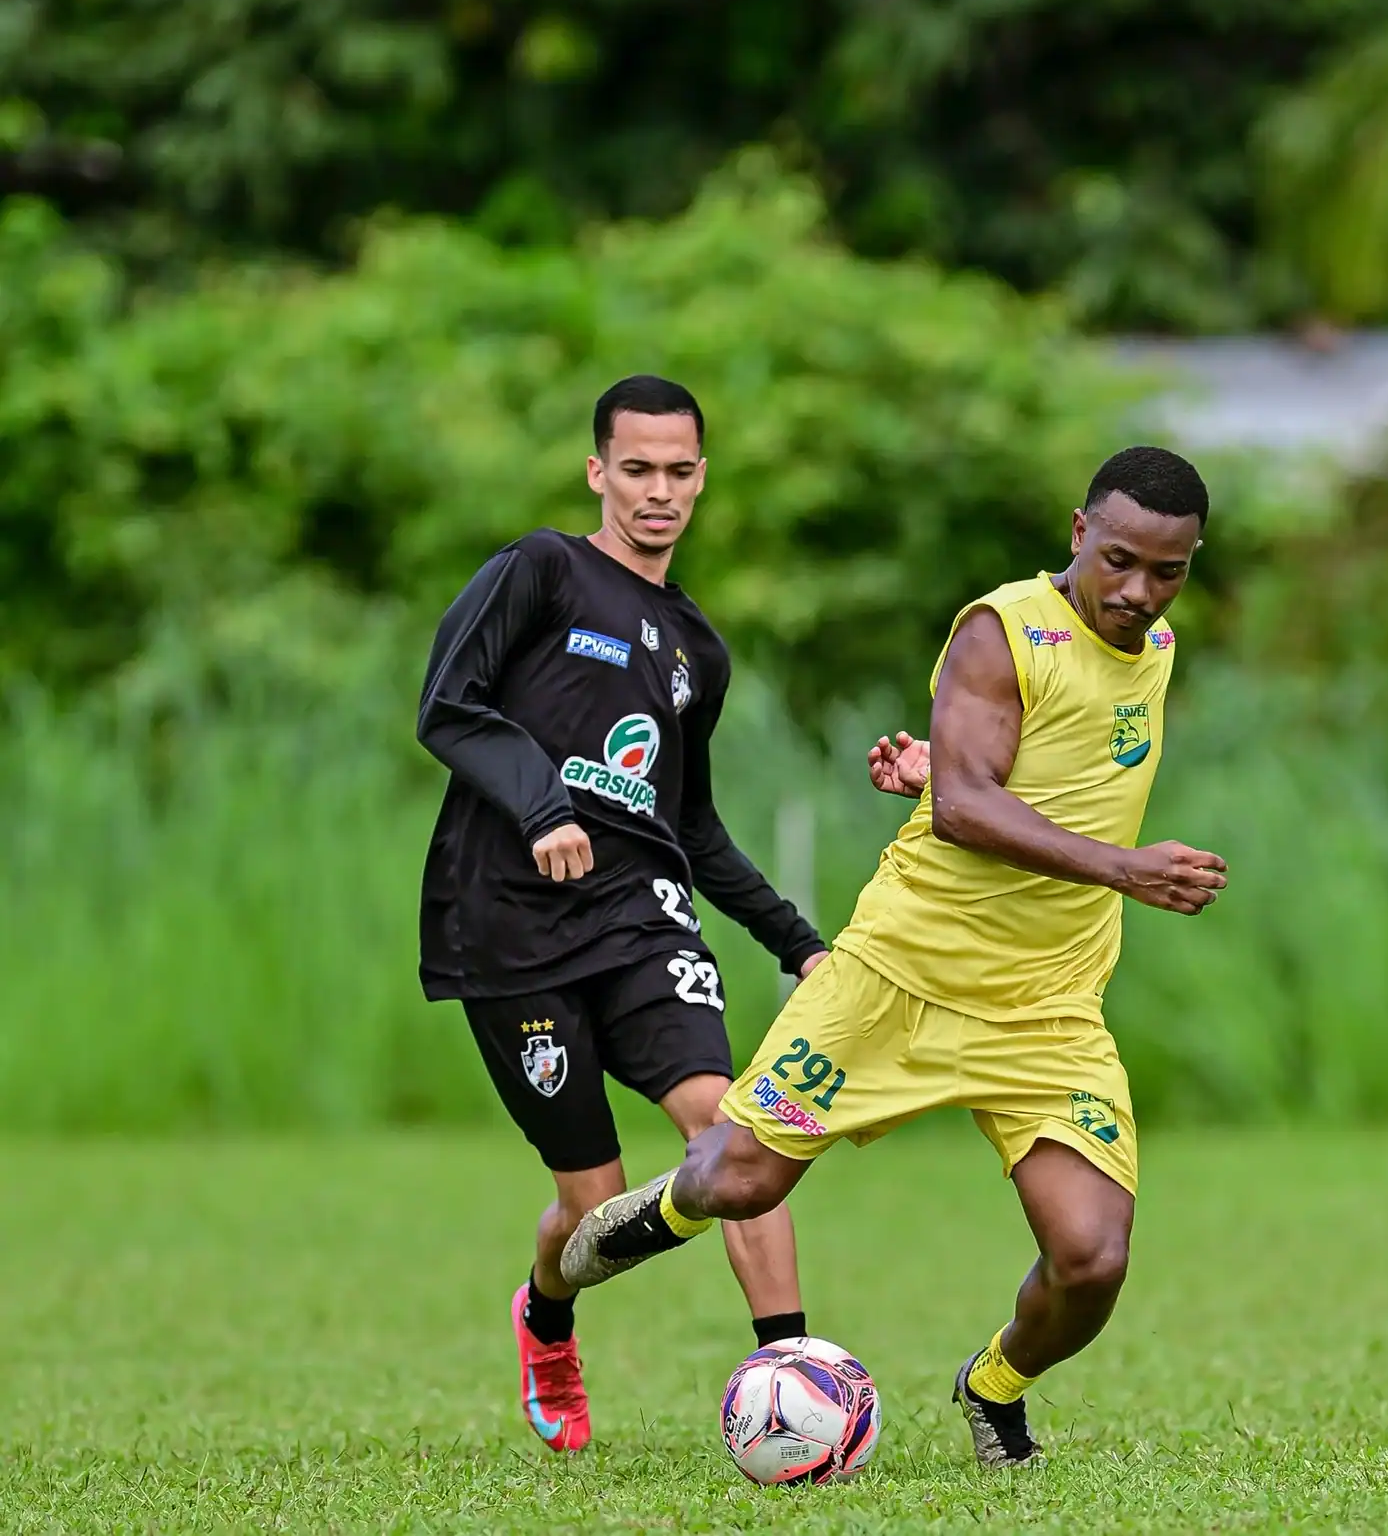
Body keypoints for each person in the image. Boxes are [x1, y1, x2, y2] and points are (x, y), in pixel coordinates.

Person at [560, 445, 1227, 1467]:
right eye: (1121, 560)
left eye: (1167, 570)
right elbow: (966, 807)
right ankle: (661, 1206)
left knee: (1090, 1260)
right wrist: (1122, 867)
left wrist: (941, 776)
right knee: (737, 1182)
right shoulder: (1000, 630)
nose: (1138, 591)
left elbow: (1022, 770)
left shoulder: (1158, 646)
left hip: (1043, 1008)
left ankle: (991, 1387)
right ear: (1077, 530)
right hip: (894, 980)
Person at [416, 374, 827, 1454]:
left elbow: (691, 825)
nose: (658, 490)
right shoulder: (541, 570)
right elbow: (448, 706)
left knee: (737, 1130)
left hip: (643, 916)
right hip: (508, 921)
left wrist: (799, 942)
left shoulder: (699, 650)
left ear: (701, 477)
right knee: (592, 1215)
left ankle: (791, 1378)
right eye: (635, 468)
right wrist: (543, 805)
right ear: (598, 470)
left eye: (678, 470)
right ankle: (547, 1314)